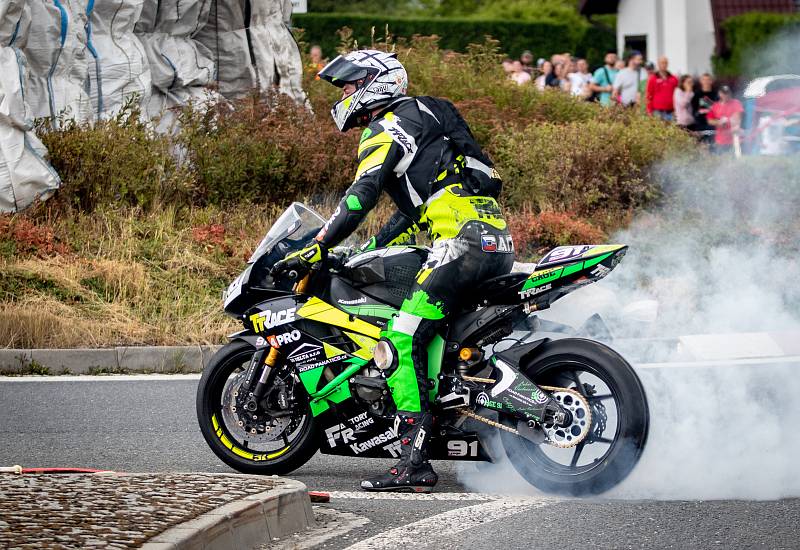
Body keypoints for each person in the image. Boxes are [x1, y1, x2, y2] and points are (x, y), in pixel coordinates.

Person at [272, 50, 515, 492]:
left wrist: (319, 244)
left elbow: (361, 195)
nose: (344, 94)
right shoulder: (430, 112)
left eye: (349, 85)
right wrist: (373, 247)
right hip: (493, 238)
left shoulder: (385, 127)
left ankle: (412, 463)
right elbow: (415, 206)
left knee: (400, 340)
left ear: (375, 84)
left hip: (460, 241)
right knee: (436, 335)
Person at [707, 85, 744, 154]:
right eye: (723, 93)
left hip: (734, 139)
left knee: (737, 161)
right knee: (722, 161)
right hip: (721, 140)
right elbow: (710, 120)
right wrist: (719, 122)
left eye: (727, 93)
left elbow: (738, 116)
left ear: (730, 93)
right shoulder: (715, 106)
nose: (725, 95)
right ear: (720, 94)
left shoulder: (736, 103)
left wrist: (728, 120)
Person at [645, 56, 678, 120]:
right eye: (662, 63)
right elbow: (649, 95)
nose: (664, 65)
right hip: (657, 112)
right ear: (658, 64)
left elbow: (678, 95)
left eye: (665, 63)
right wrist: (649, 111)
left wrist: (676, 110)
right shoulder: (653, 78)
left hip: (670, 112)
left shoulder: (674, 78)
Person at [692, 73, 719, 144]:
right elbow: (694, 110)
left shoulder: (716, 94)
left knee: (713, 146)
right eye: (704, 80)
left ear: (711, 81)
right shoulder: (697, 94)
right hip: (700, 125)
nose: (706, 82)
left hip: (713, 125)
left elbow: (719, 110)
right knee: (701, 146)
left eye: (708, 80)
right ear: (701, 81)